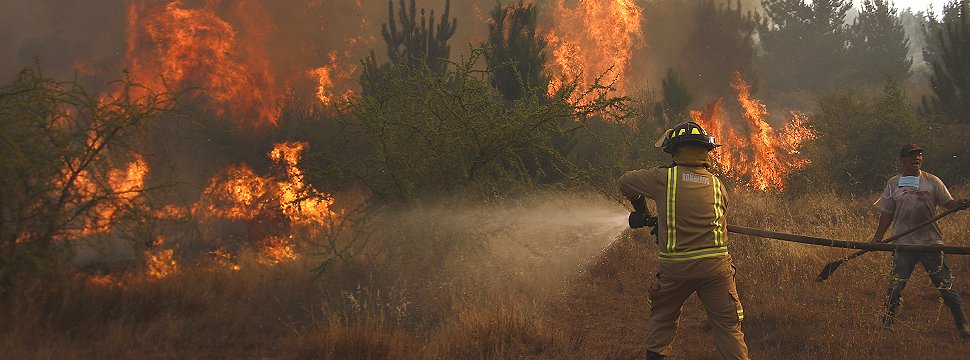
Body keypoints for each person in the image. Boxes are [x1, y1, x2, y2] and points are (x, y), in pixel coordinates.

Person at [619, 122, 748, 360]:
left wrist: (642, 211)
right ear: (705, 152)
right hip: (716, 271)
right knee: (729, 330)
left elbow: (625, 182)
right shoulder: (718, 185)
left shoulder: (663, 178)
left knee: (662, 323)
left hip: (676, 271)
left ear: (675, 150)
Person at [872, 143, 970, 338]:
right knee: (895, 286)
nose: (916, 159)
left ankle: (963, 326)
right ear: (902, 160)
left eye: (919, 155)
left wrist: (960, 203)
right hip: (904, 244)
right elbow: (887, 213)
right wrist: (877, 239)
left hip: (930, 243)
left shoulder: (932, 181)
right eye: (911, 155)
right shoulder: (894, 183)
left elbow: (948, 203)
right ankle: (887, 323)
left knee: (945, 285)